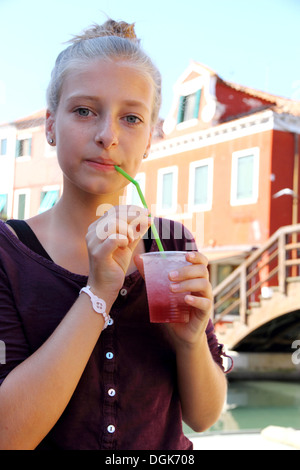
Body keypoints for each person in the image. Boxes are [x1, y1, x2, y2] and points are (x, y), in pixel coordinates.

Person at [0, 18, 229, 450]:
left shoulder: (174, 243)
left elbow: (204, 416)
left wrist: (192, 341)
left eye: (131, 118)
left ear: (149, 139)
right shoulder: (7, 253)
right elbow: (9, 436)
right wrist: (99, 291)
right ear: (50, 125)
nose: (108, 136)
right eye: (84, 111)